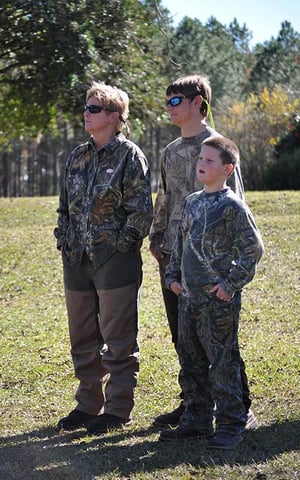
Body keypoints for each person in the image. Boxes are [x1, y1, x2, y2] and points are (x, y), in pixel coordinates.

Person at [149, 74, 257, 430]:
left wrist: (229, 272)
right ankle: (194, 406)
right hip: (175, 259)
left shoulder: (216, 146)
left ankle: (239, 407)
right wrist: (157, 238)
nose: (169, 106)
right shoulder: (170, 151)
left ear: (198, 102)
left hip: (213, 263)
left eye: (175, 100)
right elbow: (164, 197)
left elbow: (235, 203)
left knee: (220, 339)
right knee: (186, 337)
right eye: (167, 100)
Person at [54, 81, 153, 434]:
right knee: (82, 337)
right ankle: (88, 404)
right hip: (76, 259)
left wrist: (120, 245)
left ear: (114, 117)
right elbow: (64, 206)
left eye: (94, 108)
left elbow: (141, 211)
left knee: (118, 339)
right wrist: (64, 240)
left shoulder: (130, 156)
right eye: (86, 107)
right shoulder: (77, 155)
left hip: (114, 262)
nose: (86, 113)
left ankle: (117, 410)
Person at [159, 136, 264, 449]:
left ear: (227, 169)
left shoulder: (232, 207)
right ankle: (196, 420)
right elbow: (180, 244)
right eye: (200, 159)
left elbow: (252, 249)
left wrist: (230, 285)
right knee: (190, 361)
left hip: (218, 303)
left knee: (222, 362)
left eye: (209, 161)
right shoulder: (192, 201)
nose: (201, 164)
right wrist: (173, 276)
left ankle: (232, 423)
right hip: (188, 298)